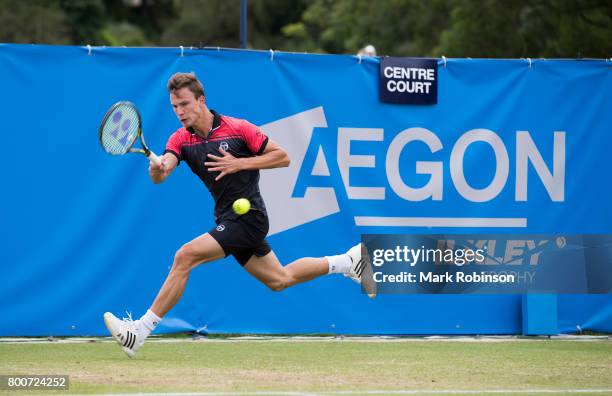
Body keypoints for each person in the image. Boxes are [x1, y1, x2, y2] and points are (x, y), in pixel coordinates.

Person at [103, 72, 373, 358]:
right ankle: (348, 261)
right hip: (226, 219)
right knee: (280, 279)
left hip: (249, 217)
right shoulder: (180, 139)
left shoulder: (238, 128)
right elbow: (163, 171)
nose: (179, 111)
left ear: (201, 100)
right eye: (174, 107)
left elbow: (283, 157)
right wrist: (158, 169)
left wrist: (238, 163)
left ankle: (139, 331)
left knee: (185, 256)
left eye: (184, 104)